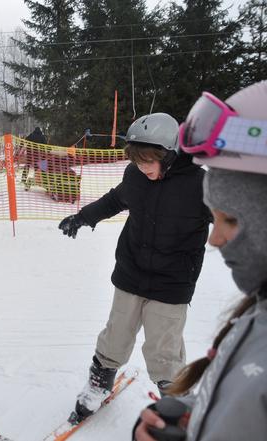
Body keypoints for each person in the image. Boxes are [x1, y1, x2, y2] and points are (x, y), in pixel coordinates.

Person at [57, 112, 212, 423]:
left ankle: (174, 398)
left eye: (148, 162)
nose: (142, 169)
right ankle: (99, 382)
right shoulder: (135, 176)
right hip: (131, 270)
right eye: (137, 162)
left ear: (168, 156)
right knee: (116, 332)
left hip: (173, 281)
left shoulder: (200, 184)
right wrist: (83, 217)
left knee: (163, 347)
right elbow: (115, 200)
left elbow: (231, 218)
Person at [134, 81, 267, 441]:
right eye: (216, 217)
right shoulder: (255, 316)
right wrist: (192, 414)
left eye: (233, 219)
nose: (216, 238)